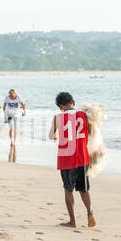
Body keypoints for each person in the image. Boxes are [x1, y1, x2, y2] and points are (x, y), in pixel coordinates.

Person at [49, 92, 97, 228]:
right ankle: (90, 213)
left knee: (68, 190)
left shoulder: (58, 117)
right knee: (84, 189)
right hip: (82, 157)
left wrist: (57, 136)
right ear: (73, 102)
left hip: (66, 158)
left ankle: (72, 221)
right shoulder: (84, 116)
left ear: (60, 106)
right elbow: (91, 132)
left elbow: (51, 135)